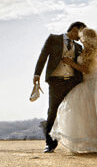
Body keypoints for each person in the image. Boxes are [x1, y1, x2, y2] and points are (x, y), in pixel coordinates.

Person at [34, 21, 86, 153]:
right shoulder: (53, 39)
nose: (82, 36)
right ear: (74, 30)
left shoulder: (79, 47)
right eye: (81, 32)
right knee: (53, 111)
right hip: (56, 82)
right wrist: (37, 75)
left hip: (73, 83)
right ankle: (50, 143)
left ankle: (77, 141)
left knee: (76, 112)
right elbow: (43, 57)